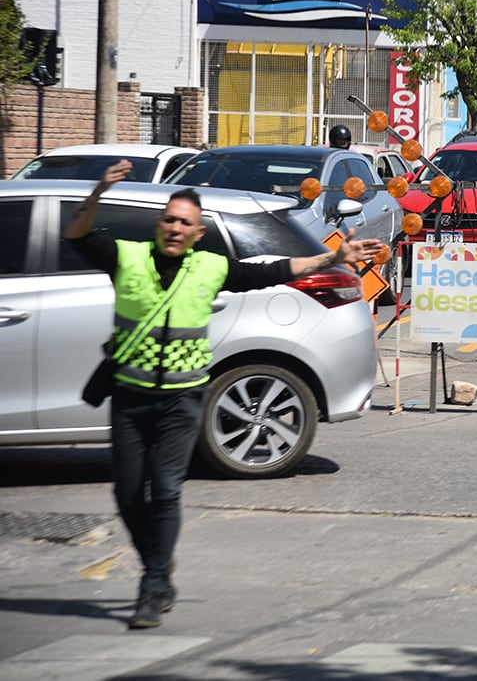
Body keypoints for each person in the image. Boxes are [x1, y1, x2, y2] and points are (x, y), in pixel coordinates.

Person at [64, 160, 383, 630]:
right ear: (159, 225)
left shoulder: (211, 267)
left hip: (182, 399)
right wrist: (97, 192)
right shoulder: (125, 256)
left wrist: (332, 259)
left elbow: (275, 269)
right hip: (131, 398)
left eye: (185, 224)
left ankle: (153, 584)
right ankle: (158, 561)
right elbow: (76, 236)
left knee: (167, 489)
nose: (175, 228)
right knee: (128, 493)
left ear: (196, 233)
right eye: (169, 220)